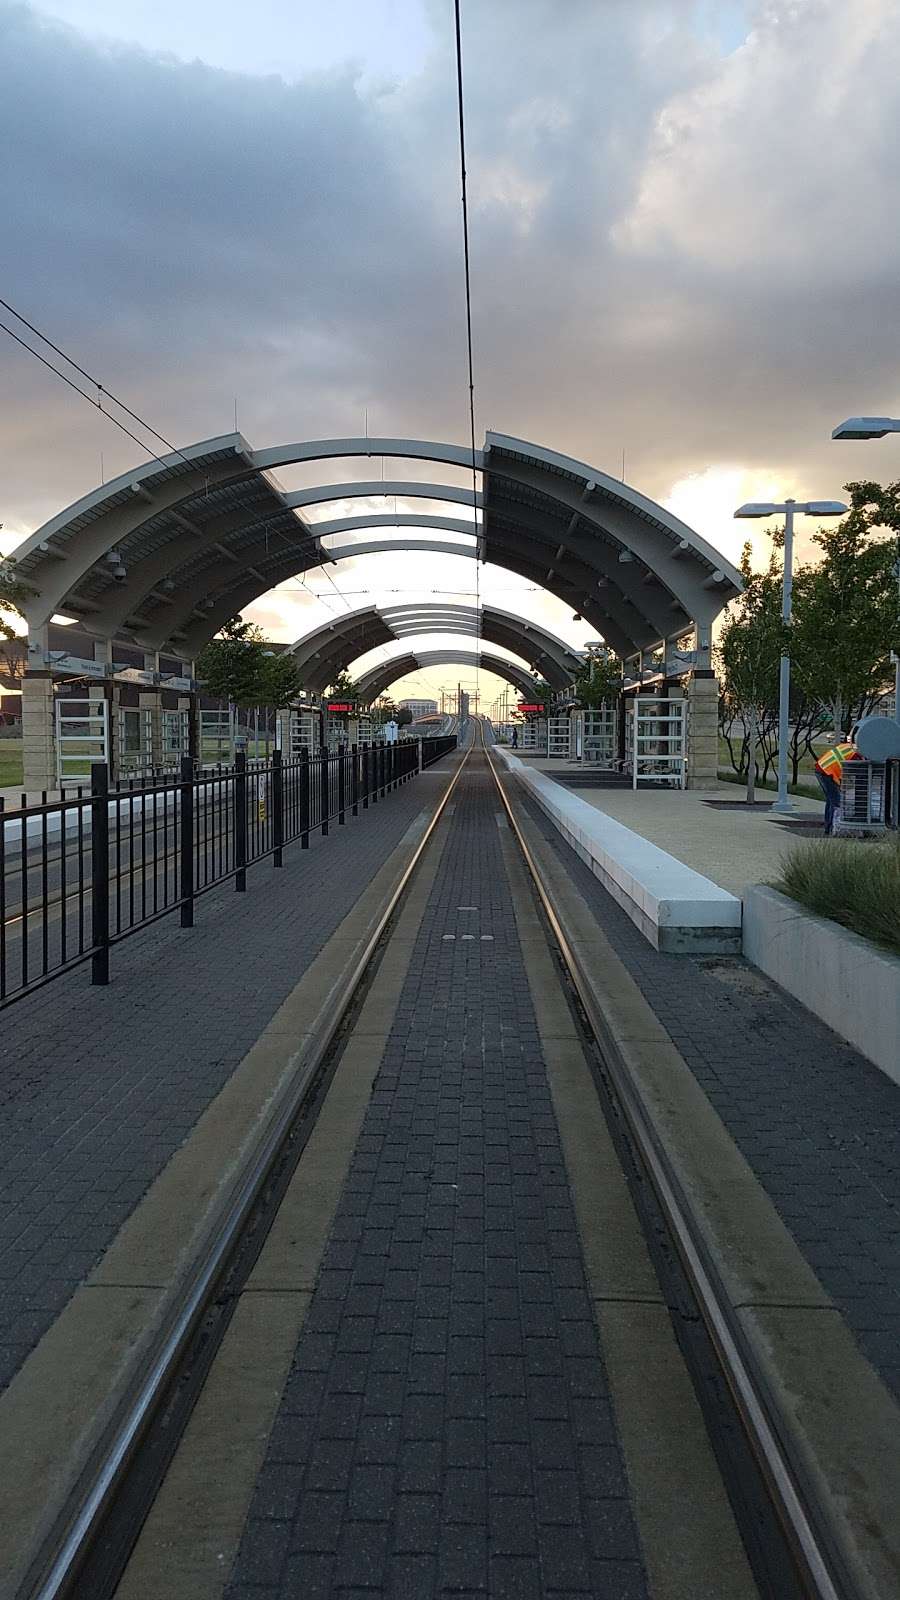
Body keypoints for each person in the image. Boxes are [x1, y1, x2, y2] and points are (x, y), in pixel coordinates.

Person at [814, 731, 860, 835]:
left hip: (822, 768)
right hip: (827, 772)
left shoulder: (849, 747)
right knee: (836, 802)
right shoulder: (856, 754)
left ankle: (828, 827)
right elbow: (857, 771)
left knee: (831, 800)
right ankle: (836, 828)